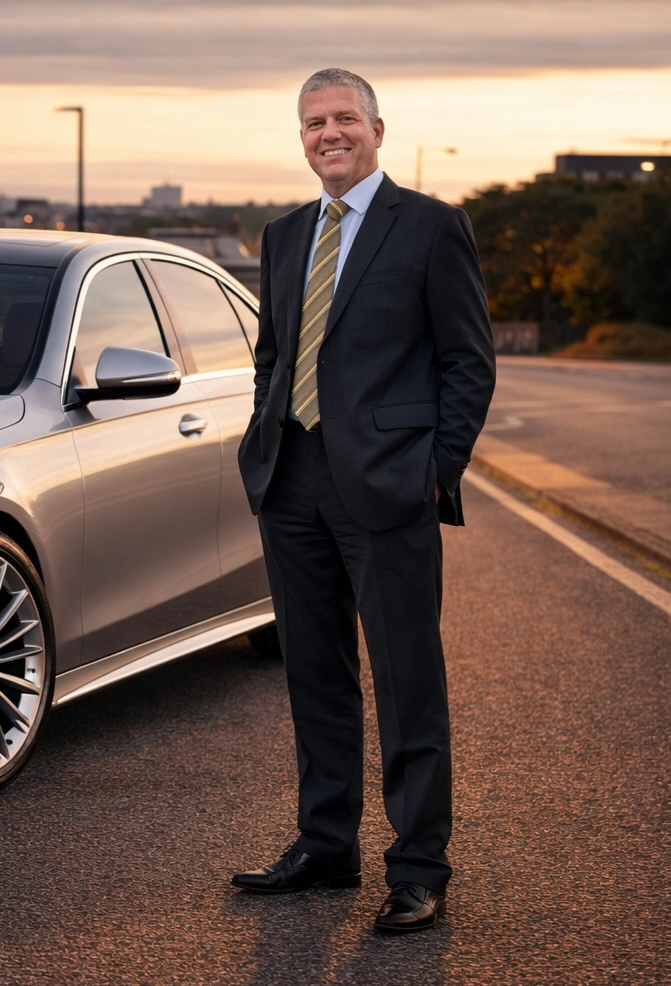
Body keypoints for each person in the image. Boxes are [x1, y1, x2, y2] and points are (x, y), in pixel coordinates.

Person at [231, 68, 495, 933]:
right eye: (314, 122)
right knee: (315, 674)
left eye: (345, 118)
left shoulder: (428, 227)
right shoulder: (282, 235)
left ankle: (419, 866)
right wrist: (265, 442)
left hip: (389, 485)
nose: (329, 133)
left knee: (407, 679)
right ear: (300, 137)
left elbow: (468, 361)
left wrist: (435, 468)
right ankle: (326, 844)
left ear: (377, 128)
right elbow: (275, 354)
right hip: (292, 480)